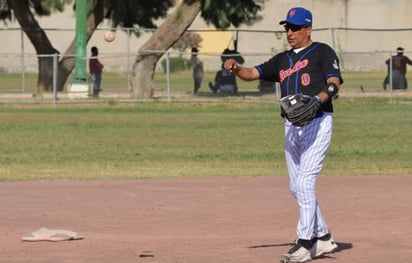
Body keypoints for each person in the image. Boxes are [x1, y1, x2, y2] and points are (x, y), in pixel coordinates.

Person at [223, 7, 343, 263]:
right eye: (287, 27)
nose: (290, 32)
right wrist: (236, 68)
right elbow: (252, 73)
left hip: (318, 121)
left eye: (295, 27)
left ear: (308, 29)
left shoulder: (322, 52)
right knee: (295, 186)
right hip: (291, 124)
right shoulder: (282, 60)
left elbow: (334, 83)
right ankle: (323, 238)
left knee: (305, 183)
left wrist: (317, 100)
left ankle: (304, 242)